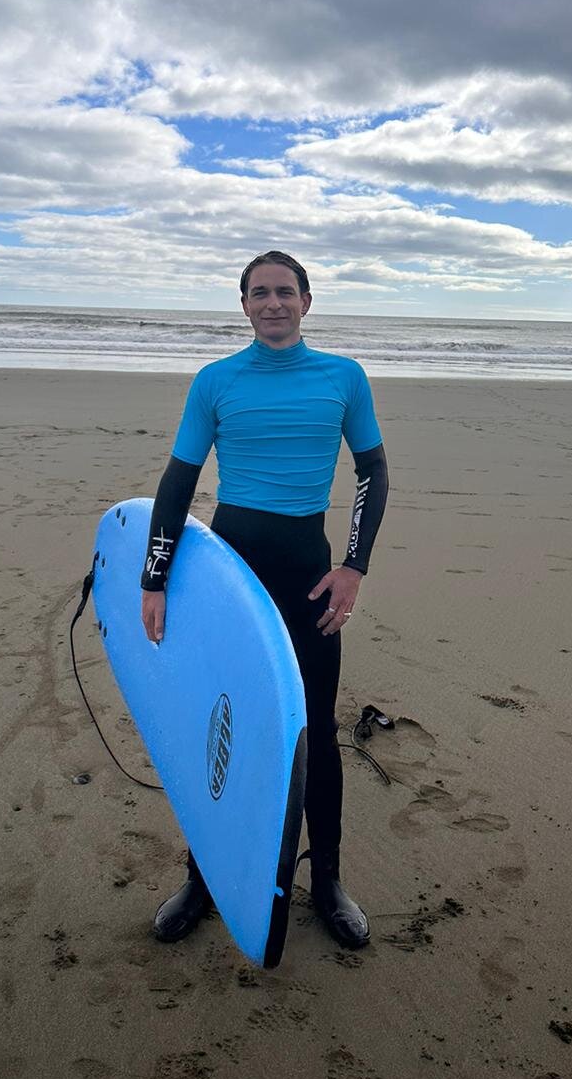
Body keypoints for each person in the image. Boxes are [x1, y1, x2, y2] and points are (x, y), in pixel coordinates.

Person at [139, 250, 389, 950]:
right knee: (219, 727)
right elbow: (177, 482)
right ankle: (204, 876)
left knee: (317, 731)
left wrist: (353, 567)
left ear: (307, 301)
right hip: (228, 580)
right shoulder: (215, 383)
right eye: (259, 293)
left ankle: (329, 881)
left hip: (309, 575)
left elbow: (373, 471)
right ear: (243, 305)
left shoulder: (343, 377)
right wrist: (155, 577)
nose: (272, 303)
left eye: (285, 292)